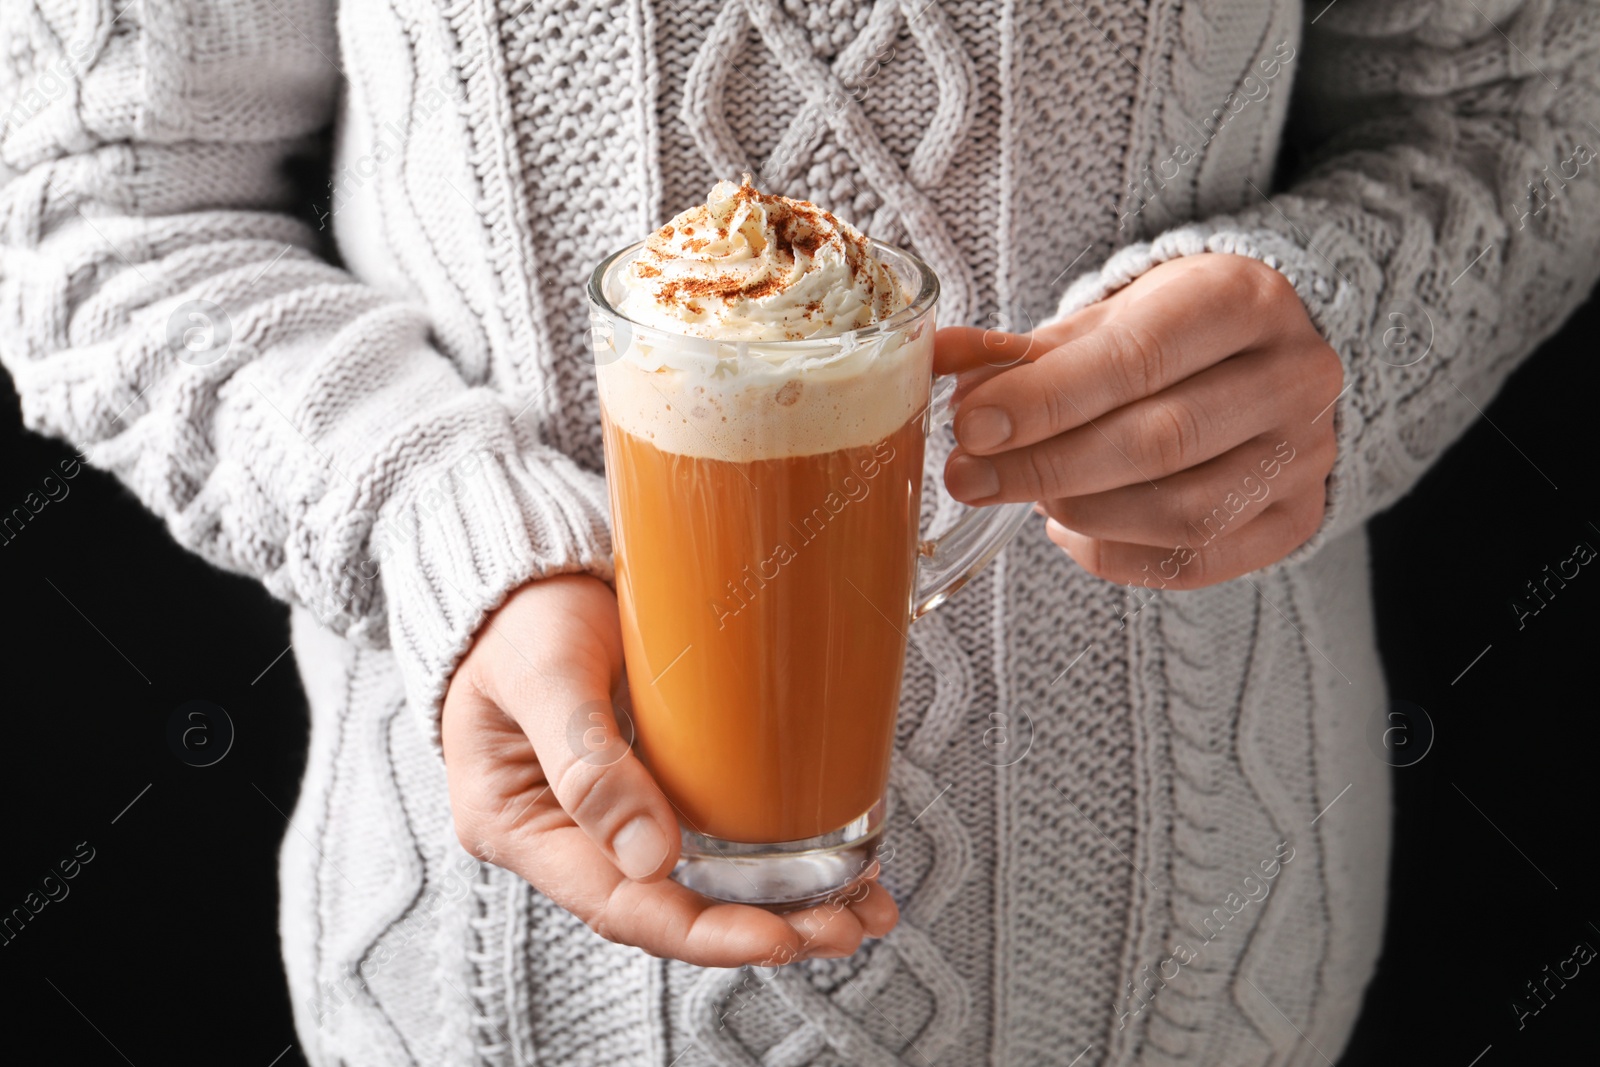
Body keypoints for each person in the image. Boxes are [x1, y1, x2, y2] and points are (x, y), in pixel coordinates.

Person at [1, 0, 1594, 1064]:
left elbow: (1526, 116)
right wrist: (449, 534)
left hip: (1190, 982)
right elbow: (90, 207)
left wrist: (1352, 332)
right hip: (489, 999)